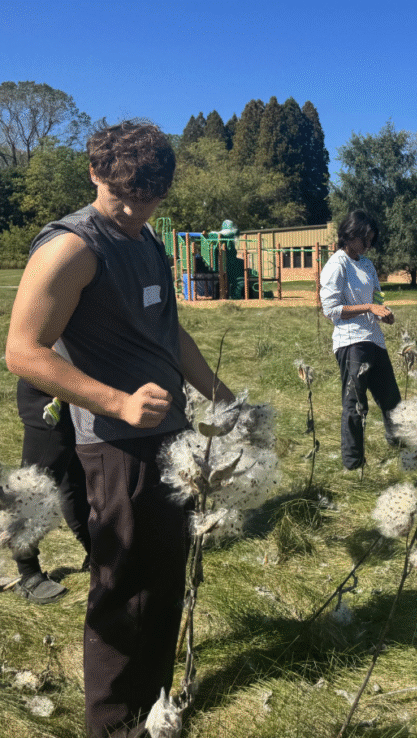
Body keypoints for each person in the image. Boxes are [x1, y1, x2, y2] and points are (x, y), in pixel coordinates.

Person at [5, 120, 235, 738]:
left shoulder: (148, 239)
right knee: (123, 590)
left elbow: (167, 332)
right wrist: (118, 403)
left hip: (170, 439)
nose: (132, 210)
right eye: (120, 196)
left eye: (148, 199)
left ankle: (150, 708)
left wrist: (219, 394)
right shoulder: (72, 248)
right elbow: (23, 351)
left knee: (162, 581)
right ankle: (112, 725)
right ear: (94, 174)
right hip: (116, 447)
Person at [319, 210, 401, 470]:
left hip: (374, 339)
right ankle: (353, 464)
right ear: (350, 234)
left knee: (391, 398)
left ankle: (401, 446)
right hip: (351, 342)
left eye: (371, 240)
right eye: (365, 239)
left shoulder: (366, 264)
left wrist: (383, 312)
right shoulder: (337, 265)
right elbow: (330, 309)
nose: (368, 244)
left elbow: (376, 296)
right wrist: (368, 308)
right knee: (355, 404)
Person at [10, 378, 92, 604]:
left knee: (75, 482)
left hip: (79, 394)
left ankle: (97, 553)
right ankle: (28, 574)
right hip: (50, 392)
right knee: (35, 488)